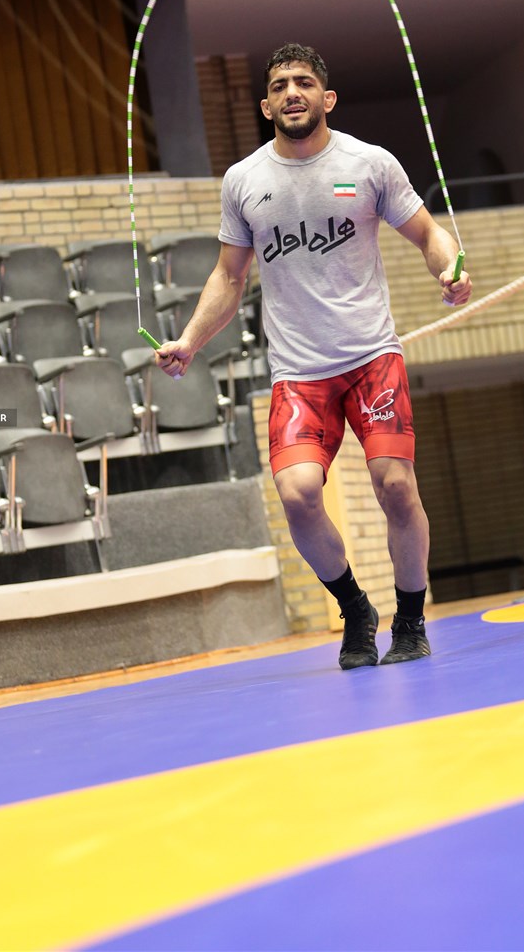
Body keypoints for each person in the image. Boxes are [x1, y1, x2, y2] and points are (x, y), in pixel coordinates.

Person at [155, 42, 472, 670]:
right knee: (299, 494)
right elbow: (229, 275)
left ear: (327, 98)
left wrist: (450, 270)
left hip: (371, 357)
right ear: (266, 105)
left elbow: (429, 233)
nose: (291, 92)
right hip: (299, 373)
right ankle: (356, 608)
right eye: (279, 84)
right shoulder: (243, 180)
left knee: (395, 485)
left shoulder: (369, 163)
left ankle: (411, 619)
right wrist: (190, 340)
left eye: (303, 82)